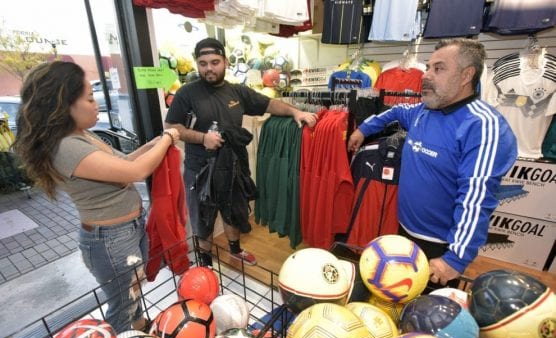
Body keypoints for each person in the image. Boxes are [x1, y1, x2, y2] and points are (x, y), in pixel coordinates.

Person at [13, 61, 180, 333]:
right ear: (63, 104)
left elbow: (124, 161)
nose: (97, 105)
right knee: (122, 304)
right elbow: (134, 171)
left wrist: (155, 142)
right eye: (90, 98)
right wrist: (168, 138)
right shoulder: (65, 146)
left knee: (132, 293)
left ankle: (138, 332)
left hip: (126, 231)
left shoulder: (82, 135)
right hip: (110, 239)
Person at [348, 39, 517, 287]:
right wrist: (363, 129)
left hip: (440, 248)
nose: (425, 76)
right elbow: (394, 111)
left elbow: (476, 199)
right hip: (403, 231)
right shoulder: (424, 111)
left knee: (427, 320)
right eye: (428, 67)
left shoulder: (482, 126)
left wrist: (455, 260)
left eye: (438, 69)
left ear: (466, 75)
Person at [164, 37, 318, 266]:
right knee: (203, 218)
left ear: (225, 62)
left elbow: (268, 104)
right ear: (197, 64)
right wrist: (202, 137)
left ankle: (235, 249)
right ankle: (205, 262)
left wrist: (295, 112)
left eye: (214, 62)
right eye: (203, 63)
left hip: (233, 165)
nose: (209, 68)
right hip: (200, 170)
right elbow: (172, 127)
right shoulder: (187, 93)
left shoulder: (237, 91)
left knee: (233, 210)